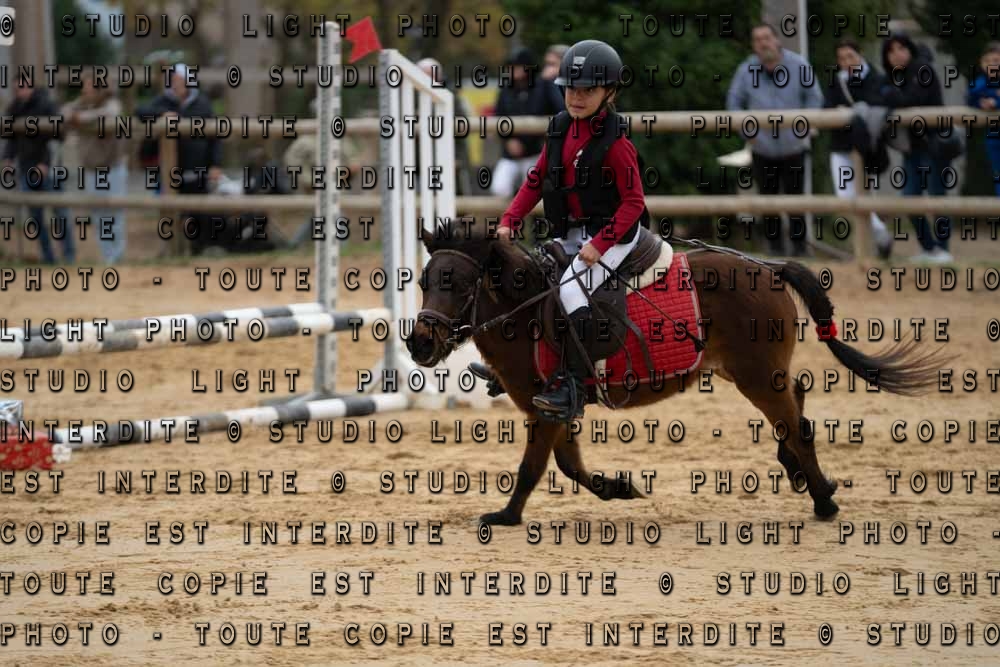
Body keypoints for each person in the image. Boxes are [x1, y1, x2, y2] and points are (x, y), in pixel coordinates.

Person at [492, 39, 648, 420]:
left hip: (614, 235)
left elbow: (634, 203)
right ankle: (521, 364)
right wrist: (510, 220)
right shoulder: (560, 127)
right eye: (571, 89)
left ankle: (574, 385)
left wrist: (601, 244)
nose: (576, 97)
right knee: (532, 277)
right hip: (574, 232)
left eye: (587, 90)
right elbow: (536, 179)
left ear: (609, 93)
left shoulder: (616, 143)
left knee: (571, 289)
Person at [726, 23, 825, 256]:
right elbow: (733, 103)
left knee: (796, 201)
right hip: (762, 148)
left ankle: (800, 251)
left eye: (767, 37)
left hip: (794, 147)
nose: (763, 43)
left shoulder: (799, 65)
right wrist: (749, 133)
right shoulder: (745, 70)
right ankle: (775, 252)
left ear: (777, 40)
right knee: (767, 202)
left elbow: (815, 98)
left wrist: (803, 128)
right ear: (754, 45)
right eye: (758, 39)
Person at [880, 34, 954, 263]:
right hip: (912, 149)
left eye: (901, 48)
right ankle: (929, 249)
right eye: (891, 51)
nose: (897, 54)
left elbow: (912, 99)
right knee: (909, 199)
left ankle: (943, 250)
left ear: (909, 49)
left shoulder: (923, 69)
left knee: (937, 198)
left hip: (934, 145)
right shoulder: (893, 77)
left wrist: (890, 94)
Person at [824, 38, 893, 259]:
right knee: (845, 197)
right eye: (841, 58)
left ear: (860, 54)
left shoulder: (875, 77)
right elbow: (826, 106)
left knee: (866, 195)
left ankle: (869, 248)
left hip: (867, 147)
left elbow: (877, 103)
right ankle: (880, 234)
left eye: (850, 56)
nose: (846, 62)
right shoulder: (837, 80)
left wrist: (849, 110)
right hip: (841, 145)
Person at [3, 82, 74, 264]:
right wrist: (8, 158)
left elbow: (57, 137)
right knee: (35, 217)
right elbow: (11, 138)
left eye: (23, 87)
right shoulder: (14, 109)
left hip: (49, 169)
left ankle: (69, 256)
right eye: (17, 88)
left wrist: (45, 163)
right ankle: (48, 258)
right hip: (26, 169)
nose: (20, 91)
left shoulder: (47, 105)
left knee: (60, 212)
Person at [62, 71, 128, 264]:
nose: (85, 89)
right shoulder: (80, 104)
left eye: (89, 86)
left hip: (112, 167)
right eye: (85, 85)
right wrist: (77, 115)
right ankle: (108, 257)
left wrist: (82, 118)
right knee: (98, 216)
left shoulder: (111, 103)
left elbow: (112, 113)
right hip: (91, 169)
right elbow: (64, 112)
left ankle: (118, 256)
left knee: (115, 214)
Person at [490, 47, 566, 199]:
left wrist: (551, 82)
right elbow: (498, 117)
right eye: (511, 66)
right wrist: (508, 140)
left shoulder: (543, 86)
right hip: (510, 154)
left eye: (517, 66)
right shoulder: (506, 89)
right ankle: (511, 214)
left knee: (533, 191)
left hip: (536, 151)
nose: (512, 70)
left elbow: (561, 109)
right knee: (499, 188)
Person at [417, 57, 474, 196]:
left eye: (431, 75)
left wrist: (457, 158)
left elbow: (461, 128)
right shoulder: (410, 95)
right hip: (420, 160)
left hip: (449, 157)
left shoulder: (451, 96)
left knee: (456, 197)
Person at [968, 42, 1000, 197]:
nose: (992, 65)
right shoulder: (980, 83)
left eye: (996, 61)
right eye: (987, 61)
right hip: (994, 140)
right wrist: (982, 102)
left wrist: (996, 102)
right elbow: (972, 97)